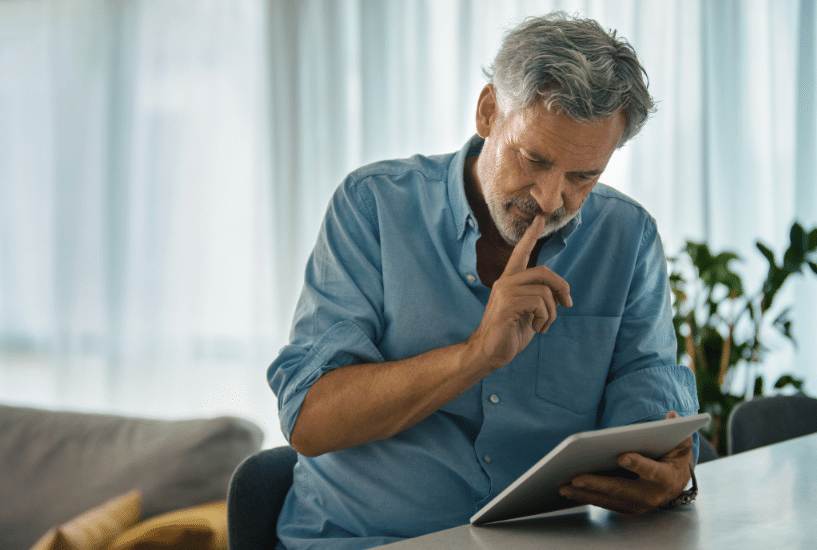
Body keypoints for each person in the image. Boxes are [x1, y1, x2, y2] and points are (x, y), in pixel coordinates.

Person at [267, 11, 699, 549]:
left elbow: (647, 402)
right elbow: (310, 421)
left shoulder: (627, 236)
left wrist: (668, 474)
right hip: (369, 540)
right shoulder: (373, 206)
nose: (549, 198)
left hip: (543, 541)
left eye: (582, 177)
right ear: (490, 111)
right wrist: (476, 355)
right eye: (534, 158)